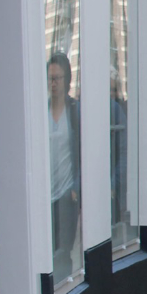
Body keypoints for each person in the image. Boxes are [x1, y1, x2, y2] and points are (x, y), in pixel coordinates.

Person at [47, 51, 81, 281]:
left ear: (67, 80)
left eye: (58, 78)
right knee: (46, 246)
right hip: (45, 191)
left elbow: (82, 151)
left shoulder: (75, 111)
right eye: (50, 78)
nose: (53, 83)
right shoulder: (41, 111)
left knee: (63, 247)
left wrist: (77, 186)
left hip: (66, 191)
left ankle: (63, 286)